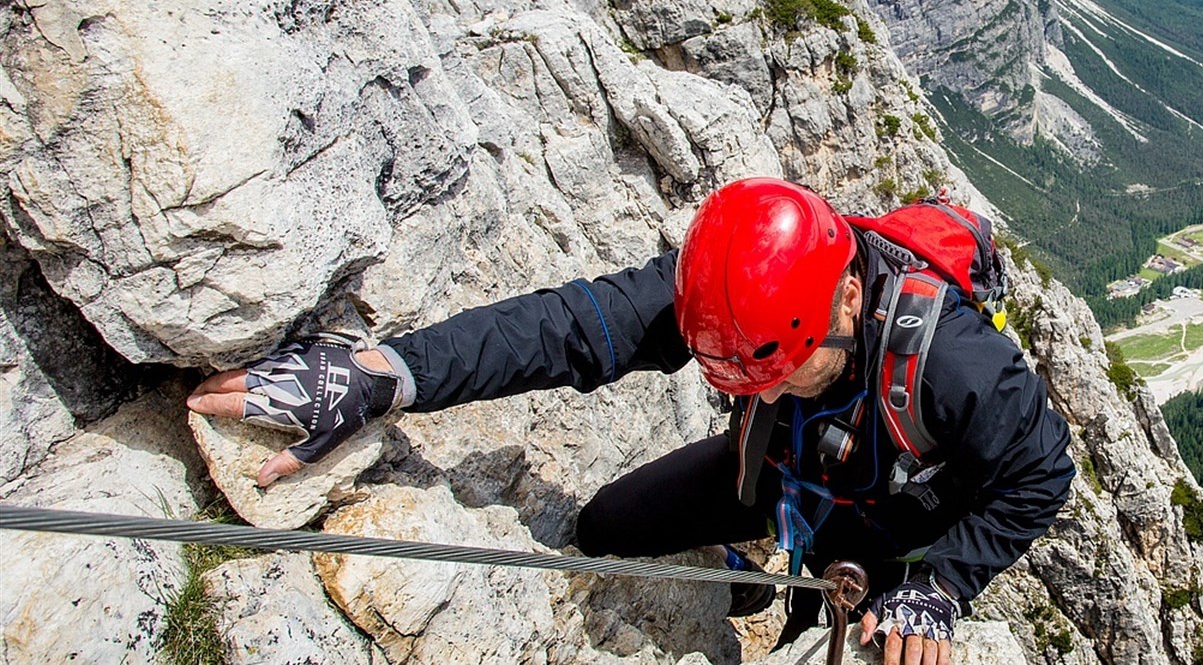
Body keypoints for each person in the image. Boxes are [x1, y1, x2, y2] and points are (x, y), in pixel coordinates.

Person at [185, 177, 1076, 665]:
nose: (772, 387)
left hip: (888, 530)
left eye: (784, 372)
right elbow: (572, 327)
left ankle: (797, 607)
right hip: (771, 474)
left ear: (847, 297)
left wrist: (942, 587)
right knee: (605, 527)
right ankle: (751, 570)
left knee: (829, 644)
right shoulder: (733, 283)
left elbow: (1043, 473)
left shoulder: (958, 365)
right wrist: (388, 374)